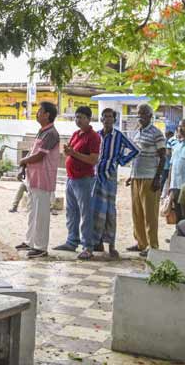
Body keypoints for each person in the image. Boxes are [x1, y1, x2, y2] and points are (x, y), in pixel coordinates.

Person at [53, 106, 102, 260]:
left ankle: (88, 246)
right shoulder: (76, 134)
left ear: (88, 118)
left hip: (84, 179)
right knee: (71, 212)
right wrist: (68, 151)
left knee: (86, 214)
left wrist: (74, 153)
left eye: (81, 117)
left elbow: (93, 160)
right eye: (76, 117)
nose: (78, 120)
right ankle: (72, 241)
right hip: (71, 178)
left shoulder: (93, 137)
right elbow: (72, 152)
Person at [91, 108, 139, 259]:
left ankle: (111, 244)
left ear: (114, 119)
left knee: (109, 210)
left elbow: (135, 150)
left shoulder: (119, 136)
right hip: (96, 175)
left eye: (110, 117)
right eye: (105, 117)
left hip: (110, 176)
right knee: (95, 209)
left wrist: (119, 161)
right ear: (101, 119)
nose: (107, 119)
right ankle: (96, 242)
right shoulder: (97, 135)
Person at [19, 102, 61, 258]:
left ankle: (41, 247)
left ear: (47, 114)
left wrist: (23, 161)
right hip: (34, 178)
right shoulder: (42, 131)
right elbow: (33, 153)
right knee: (32, 212)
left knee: (41, 214)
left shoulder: (51, 133)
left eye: (39, 111)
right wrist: (24, 166)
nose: (37, 113)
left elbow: (40, 155)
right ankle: (30, 241)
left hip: (44, 179)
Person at [127, 104, 166, 256]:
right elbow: (135, 156)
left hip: (150, 178)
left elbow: (163, 156)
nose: (140, 116)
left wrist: (158, 178)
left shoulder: (157, 133)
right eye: (139, 114)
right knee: (137, 213)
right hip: (137, 177)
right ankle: (141, 243)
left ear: (150, 116)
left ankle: (153, 246)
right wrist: (131, 175)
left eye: (143, 114)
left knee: (150, 214)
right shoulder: (137, 133)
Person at [161, 130, 177, 198]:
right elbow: (167, 154)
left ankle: (163, 194)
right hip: (167, 165)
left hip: (167, 165)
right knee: (166, 180)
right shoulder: (169, 142)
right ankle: (163, 194)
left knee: (165, 180)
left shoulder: (166, 142)